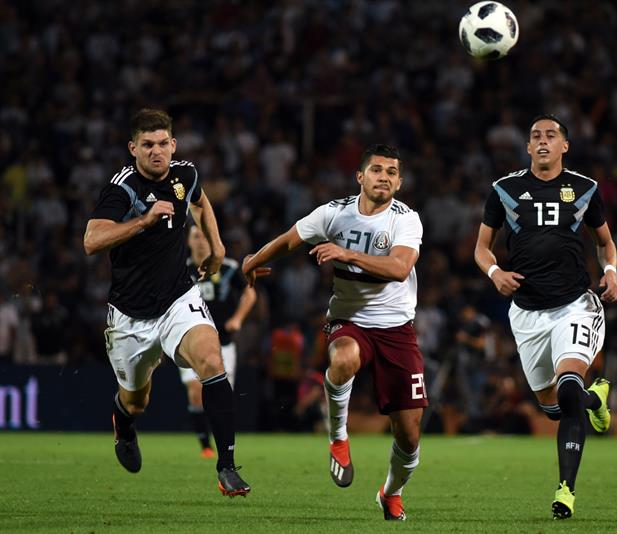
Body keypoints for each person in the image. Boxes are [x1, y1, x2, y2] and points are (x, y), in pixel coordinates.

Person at [242, 144, 426, 520]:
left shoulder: (406, 219)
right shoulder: (334, 213)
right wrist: (253, 260)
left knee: (409, 437)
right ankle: (338, 438)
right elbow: (291, 238)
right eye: (377, 170)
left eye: (392, 172)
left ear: (400, 182)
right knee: (343, 358)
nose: (384, 177)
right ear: (360, 177)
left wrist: (347, 254)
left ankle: (390, 492)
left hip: (396, 330)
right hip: (349, 320)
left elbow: (398, 268)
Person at [83, 108, 250, 497]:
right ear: (133, 148)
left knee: (211, 360)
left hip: (178, 298)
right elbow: (91, 240)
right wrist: (142, 221)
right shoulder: (122, 188)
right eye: (147, 146)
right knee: (136, 400)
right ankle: (123, 425)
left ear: (173, 145)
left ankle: (226, 467)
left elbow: (201, 203)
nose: (156, 152)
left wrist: (217, 244)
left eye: (163, 144)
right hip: (129, 316)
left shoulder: (185, 174)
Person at [473, 114, 617, 519]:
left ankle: (565, 491)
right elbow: (481, 248)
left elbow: (606, 243)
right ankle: (596, 399)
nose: (542, 141)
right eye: (535, 136)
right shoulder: (504, 190)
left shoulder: (585, 189)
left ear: (564, 146)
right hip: (526, 315)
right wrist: (494, 272)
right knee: (552, 406)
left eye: (550, 135)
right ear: (527, 147)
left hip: (575, 305)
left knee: (567, 390)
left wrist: (611, 272)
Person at [181, 225, 256, 457]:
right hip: (190, 342)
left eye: (205, 236)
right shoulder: (180, 271)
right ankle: (205, 445)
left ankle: (223, 445)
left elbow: (250, 293)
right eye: (196, 236)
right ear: (188, 242)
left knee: (219, 395)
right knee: (195, 391)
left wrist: (237, 318)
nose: (201, 241)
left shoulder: (229, 268)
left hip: (223, 341)